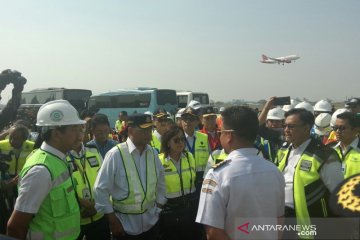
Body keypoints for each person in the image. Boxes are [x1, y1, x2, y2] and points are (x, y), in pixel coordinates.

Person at [196, 106, 285, 240]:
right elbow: (279, 220)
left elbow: (213, 233)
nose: (219, 134)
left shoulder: (217, 175)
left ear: (229, 136)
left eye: (221, 131)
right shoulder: (274, 171)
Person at [7, 100, 84, 239]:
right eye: (74, 129)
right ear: (56, 134)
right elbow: (15, 226)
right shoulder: (41, 171)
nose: (80, 136)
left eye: (80, 129)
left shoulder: (59, 158)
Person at [94, 113, 166, 240]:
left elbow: (161, 183)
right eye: (144, 129)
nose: (149, 133)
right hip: (125, 228)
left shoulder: (153, 154)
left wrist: (159, 208)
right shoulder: (115, 155)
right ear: (131, 130)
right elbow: (100, 190)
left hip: (151, 224)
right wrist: (113, 221)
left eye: (150, 129)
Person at [276, 108, 343, 238]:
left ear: (306, 128)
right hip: (281, 216)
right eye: (285, 126)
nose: (286, 130)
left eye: (291, 126)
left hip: (309, 220)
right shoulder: (284, 149)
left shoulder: (324, 155)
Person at [67, 127, 110, 240]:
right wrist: (80, 204)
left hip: (98, 214)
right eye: (73, 131)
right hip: (76, 218)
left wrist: (96, 205)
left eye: (81, 132)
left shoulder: (94, 151)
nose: (78, 136)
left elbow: (104, 180)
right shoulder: (60, 156)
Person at [157, 125, 198, 240]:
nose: (180, 143)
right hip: (169, 211)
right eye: (176, 140)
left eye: (182, 139)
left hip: (189, 209)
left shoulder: (189, 157)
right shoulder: (159, 160)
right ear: (168, 142)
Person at [0, 125, 34, 234]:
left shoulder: (32, 147)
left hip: (24, 182)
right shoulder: (1, 146)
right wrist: (5, 133)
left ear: (24, 139)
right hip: (6, 183)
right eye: (10, 137)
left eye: (16, 138)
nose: (12, 141)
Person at [181, 107, 211, 194]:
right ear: (181, 121)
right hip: (184, 181)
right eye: (185, 119)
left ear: (197, 121)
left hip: (201, 180)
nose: (187, 121)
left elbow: (210, 160)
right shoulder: (176, 139)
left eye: (191, 119)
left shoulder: (204, 137)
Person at [332, 112, 360, 179]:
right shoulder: (330, 149)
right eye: (335, 128)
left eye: (342, 128)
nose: (338, 131)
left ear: (356, 130)